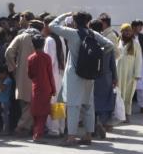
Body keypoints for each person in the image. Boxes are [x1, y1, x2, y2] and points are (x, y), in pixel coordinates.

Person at [50, 11, 115, 146]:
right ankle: (88, 136)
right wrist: (98, 55)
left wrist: (64, 14)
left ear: (74, 21)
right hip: (90, 74)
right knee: (88, 105)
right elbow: (110, 45)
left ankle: (71, 137)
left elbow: (52, 25)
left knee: (73, 106)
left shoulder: (72, 33)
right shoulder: (93, 34)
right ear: (87, 21)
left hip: (75, 74)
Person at [4, 19, 42, 136]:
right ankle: (22, 126)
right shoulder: (41, 38)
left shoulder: (21, 37)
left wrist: (13, 68)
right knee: (32, 101)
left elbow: (9, 52)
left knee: (25, 101)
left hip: (21, 74)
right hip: (37, 73)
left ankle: (25, 126)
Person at [89, 20, 118, 139]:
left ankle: (93, 125)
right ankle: (101, 122)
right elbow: (112, 63)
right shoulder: (107, 43)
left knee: (92, 102)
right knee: (104, 101)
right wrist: (115, 78)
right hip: (106, 76)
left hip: (91, 76)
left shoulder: (89, 41)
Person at [27, 34, 56, 142]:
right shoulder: (47, 57)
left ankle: (36, 132)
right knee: (43, 113)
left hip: (36, 87)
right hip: (46, 87)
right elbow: (50, 75)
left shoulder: (30, 58)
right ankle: (38, 135)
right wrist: (53, 89)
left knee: (35, 111)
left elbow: (29, 74)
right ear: (43, 44)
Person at [42, 15, 66, 136]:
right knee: (60, 102)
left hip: (52, 75)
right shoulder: (61, 38)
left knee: (52, 102)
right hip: (61, 74)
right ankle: (61, 127)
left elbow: (48, 60)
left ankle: (53, 129)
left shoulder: (49, 40)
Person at [116, 23, 143, 122]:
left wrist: (137, 74)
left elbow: (138, 59)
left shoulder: (135, 44)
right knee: (119, 95)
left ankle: (127, 115)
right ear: (121, 32)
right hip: (118, 72)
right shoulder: (117, 42)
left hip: (130, 74)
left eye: (129, 31)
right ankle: (119, 116)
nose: (127, 33)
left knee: (128, 95)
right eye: (125, 31)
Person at [131, 20, 143, 113]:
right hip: (130, 63)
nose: (141, 28)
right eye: (139, 26)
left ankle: (142, 106)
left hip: (141, 63)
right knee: (129, 85)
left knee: (142, 86)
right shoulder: (127, 36)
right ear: (133, 27)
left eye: (141, 27)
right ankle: (127, 107)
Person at [0, 68, 14, 135]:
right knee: (3, 115)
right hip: (3, 100)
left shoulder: (7, 80)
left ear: (4, 73)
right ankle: (5, 129)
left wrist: (0, 81)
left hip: (5, 101)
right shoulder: (6, 80)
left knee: (5, 115)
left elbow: (3, 89)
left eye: (1, 74)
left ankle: (5, 130)